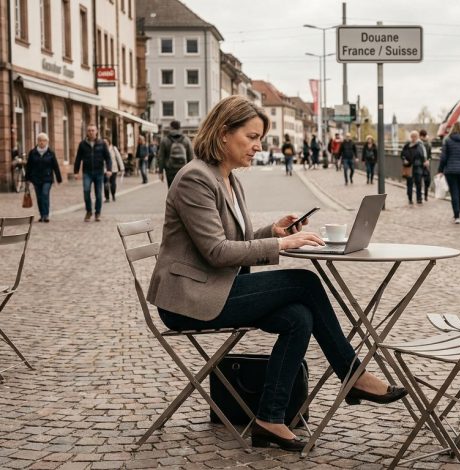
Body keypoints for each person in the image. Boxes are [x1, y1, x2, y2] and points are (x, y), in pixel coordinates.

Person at [147, 95, 406, 452]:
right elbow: (217, 252)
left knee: (298, 316)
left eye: (260, 140)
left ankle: (270, 418)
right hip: (188, 299)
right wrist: (284, 247)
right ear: (224, 134)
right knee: (304, 281)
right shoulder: (195, 178)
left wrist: (272, 233)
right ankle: (353, 375)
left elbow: (231, 241)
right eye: (252, 137)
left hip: (218, 287)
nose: (258, 146)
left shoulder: (228, 179)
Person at [74, 124, 112, 222]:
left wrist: (109, 169)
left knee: (98, 193)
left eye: (92, 130)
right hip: (87, 172)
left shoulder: (102, 143)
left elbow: (108, 158)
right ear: (87, 132)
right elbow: (78, 158)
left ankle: (98, 212)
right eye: (89, 130)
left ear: (96, 131)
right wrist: (76, 171)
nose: (91, 132)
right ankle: (89, 211)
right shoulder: (82, 144)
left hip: (99, 172)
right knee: (86, 191)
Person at [437, 122, 460, 224]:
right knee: (459, 191)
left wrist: (440, 170)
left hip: (451, 171)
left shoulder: (447, 141)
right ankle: (458, 214)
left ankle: (456, 215)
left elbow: (443, 158)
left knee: (454, 193)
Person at [25, 132, 62, 223]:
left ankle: (46, 215)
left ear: (47, 142)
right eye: (40, 140)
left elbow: (55, 166)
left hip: (47, 178)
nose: (42, 142)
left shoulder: (50, 153)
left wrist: (59, 178)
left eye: (44, 140)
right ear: (37, 141)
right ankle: (41, 215)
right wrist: (27, 179)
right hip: (36, 178)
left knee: (45, 194)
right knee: (39, 197)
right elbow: (29, 166)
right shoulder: (33, 153)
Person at [158, 120, 194, 188]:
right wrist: (191, 172)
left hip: (169, 169)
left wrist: (160, 172)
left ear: (171, 127)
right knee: (183, 189)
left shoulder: (165, 140)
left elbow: (161, 157)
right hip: (183, 169)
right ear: (180, 128)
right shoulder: (186, 140)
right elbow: (191, 156)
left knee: (171, 188)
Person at [400, 130, 426, 205]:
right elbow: (402, 155)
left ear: (417, 137)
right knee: (409, 183)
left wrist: (424, 162)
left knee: (418, 183)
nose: (414, 138)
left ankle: (419, 198)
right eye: (412, 136)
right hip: (409, 167)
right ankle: (410, 198)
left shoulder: (420, 145)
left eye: (415, 136)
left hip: (417, 166)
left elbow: (423, 156)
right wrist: (404, 160)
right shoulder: (407, 145)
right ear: (411, 137)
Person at [103, 130, 125, 202]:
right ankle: (107, 197)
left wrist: (122, 168)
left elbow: (119, 158)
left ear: (109, 142)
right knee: (106, 184)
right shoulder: (101, 149)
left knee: (113, 184)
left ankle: (113, 195)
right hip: (104, 170)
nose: (105, 143)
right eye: (104, 142)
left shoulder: (113, 148)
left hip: (114, 169)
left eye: (106, 142)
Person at [419, 129, 432, 201]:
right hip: (426, 164)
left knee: (420, 181)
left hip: (420, 165)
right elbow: (430, 155)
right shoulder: (428, 144)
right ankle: (425, 196)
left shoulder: (418, 143)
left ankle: (420, 196)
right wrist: (428, 161)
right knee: (426, 180)